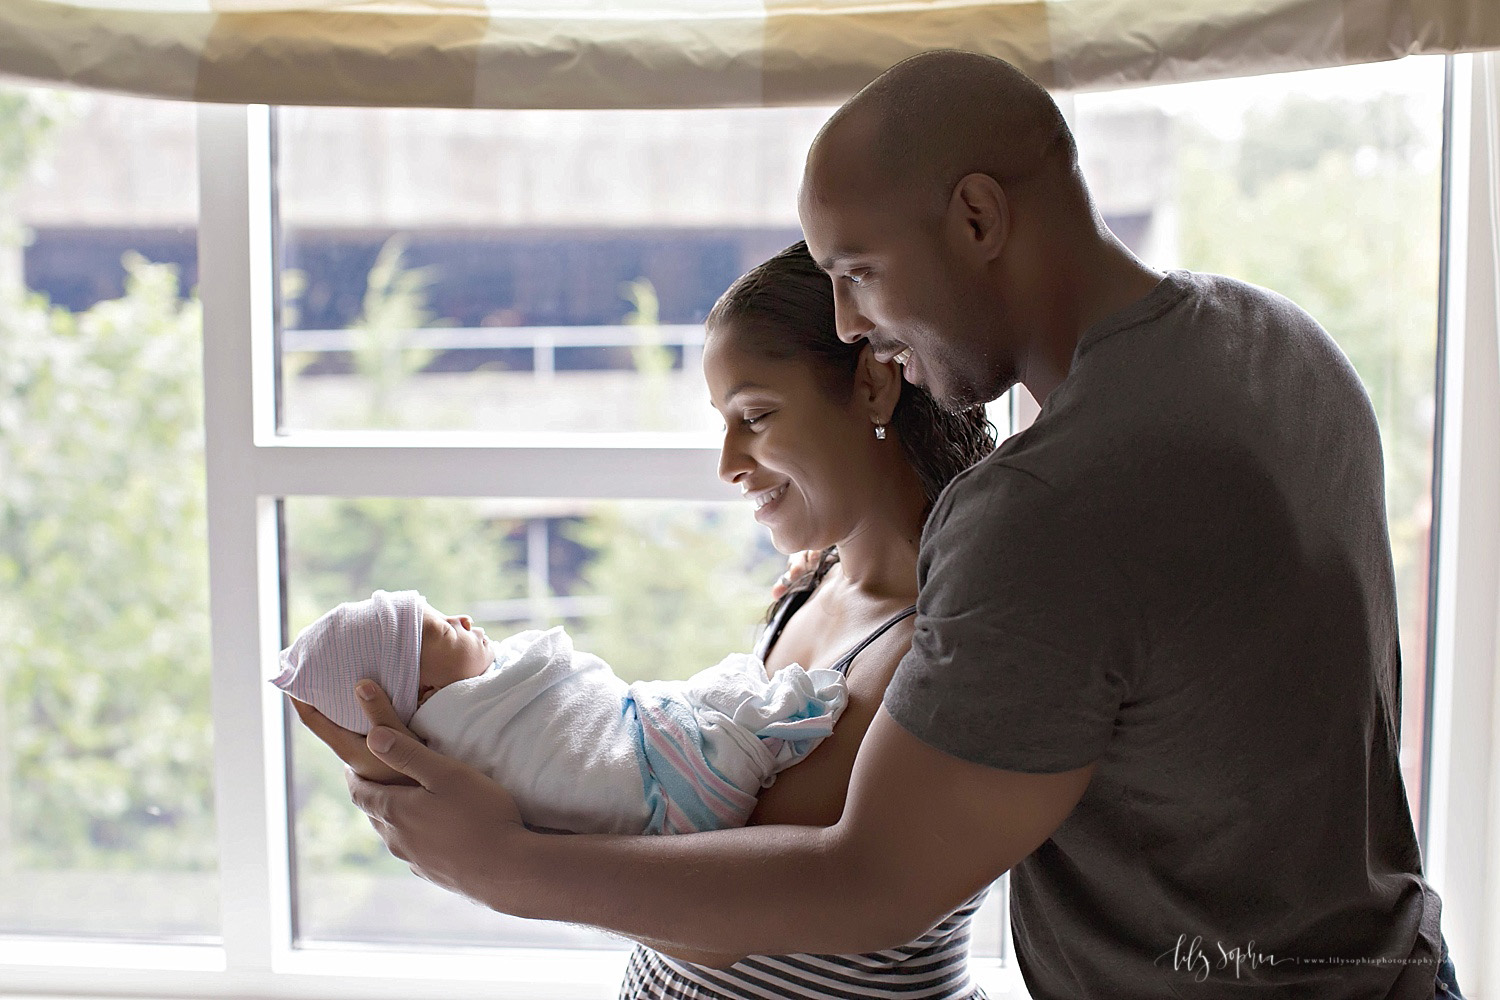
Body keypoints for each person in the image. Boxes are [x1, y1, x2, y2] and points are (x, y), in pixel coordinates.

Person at [323, 50, 1459, 1000]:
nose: (850, 322)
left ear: (976, 216)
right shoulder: (1279, 340)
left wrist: (505, 866)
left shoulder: (1046, 509)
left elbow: (867, 881)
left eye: (857, 271)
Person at [293, 240, 999, 997]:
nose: (728, 462)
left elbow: (747, 921)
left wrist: (504, 866)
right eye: (724, 421)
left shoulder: (944, 646)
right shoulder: (810, 584)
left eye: (756, 415)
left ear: (872, 384)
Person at [274, 588, 850, 835]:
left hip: (669, 799)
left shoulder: (474, 713)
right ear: (422, 697)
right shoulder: (467, 725)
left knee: (714, 695)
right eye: (439, 628)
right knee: (722, 701)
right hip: (664, 776)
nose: (465, 621)